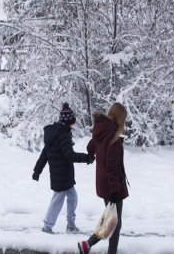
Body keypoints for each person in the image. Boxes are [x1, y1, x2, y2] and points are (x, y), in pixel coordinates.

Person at [33, 102, 95, 234]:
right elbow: (70, 155)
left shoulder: (56, 134)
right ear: (69, 122)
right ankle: (47, 227)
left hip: (64, 175)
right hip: (61, 176)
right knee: (57, 202)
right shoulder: (62, 135)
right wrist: (87, 158)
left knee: (73, 198)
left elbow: (44, 154)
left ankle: (71, 225)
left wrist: (37, 171)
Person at [78, 102, 129, 254]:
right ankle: (91, 246)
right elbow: (112, 168)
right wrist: (114, 191)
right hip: (112, 186)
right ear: (120, 118)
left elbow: (90, 148)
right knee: (114, 222)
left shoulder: (102, 132)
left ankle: (88, 245)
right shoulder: (113, 138)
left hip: (103, 183)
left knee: (111, 219)